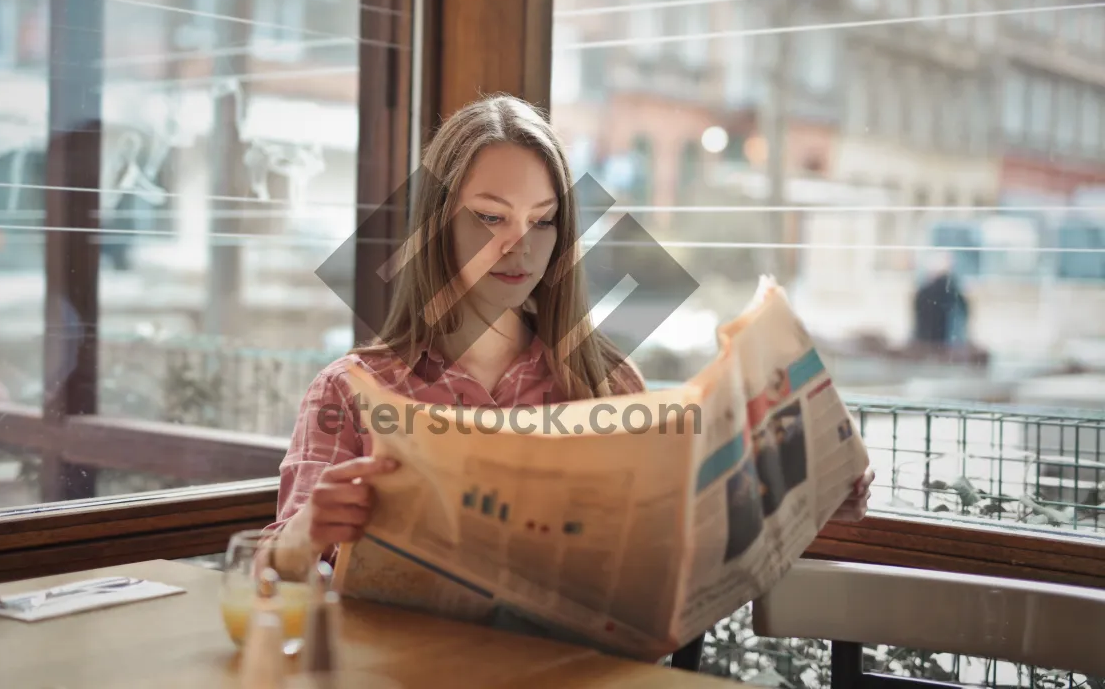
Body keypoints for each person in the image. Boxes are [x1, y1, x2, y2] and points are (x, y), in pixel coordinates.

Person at [266, 95, 874, 581]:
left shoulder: (607, 386)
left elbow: (691, 545)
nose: (520, 245)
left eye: (543, 220)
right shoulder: (349, 391)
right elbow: (270, 578)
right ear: (437, 224)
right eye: (490, 216)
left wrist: (809, 501)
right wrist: (306, 532)